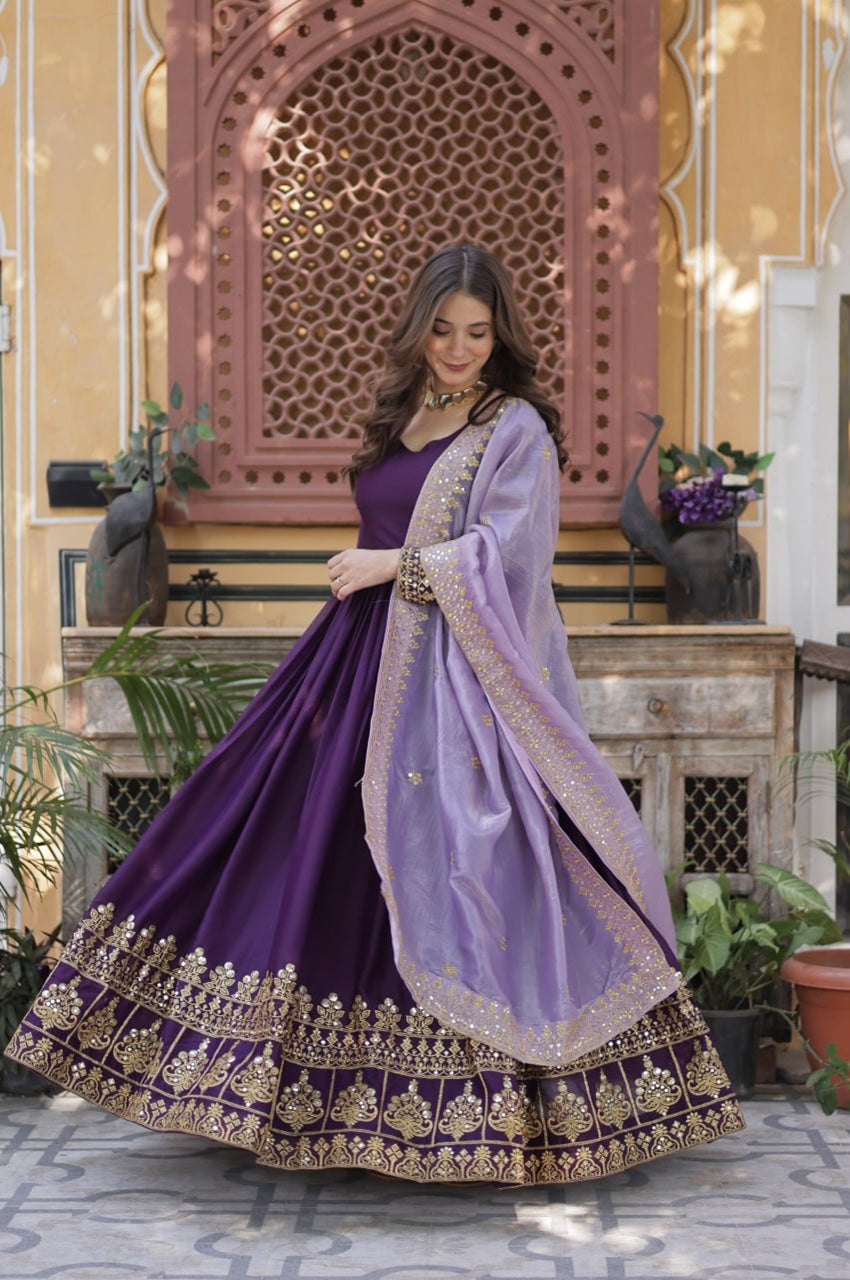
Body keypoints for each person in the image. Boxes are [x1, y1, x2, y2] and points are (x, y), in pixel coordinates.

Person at [7, 244, 744, 1185]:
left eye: (478, 333)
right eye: (443, 330)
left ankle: (478, 1112)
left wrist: (393, 565)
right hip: (354, 659)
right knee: (270, 835)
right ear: (417, 329)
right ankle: (286, 1092)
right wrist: (377, 568)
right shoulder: (407, 411)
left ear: (500, 338)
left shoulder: (511, 425)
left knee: (462, 863)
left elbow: (513, 552)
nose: (459, 349)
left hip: (450, 680)